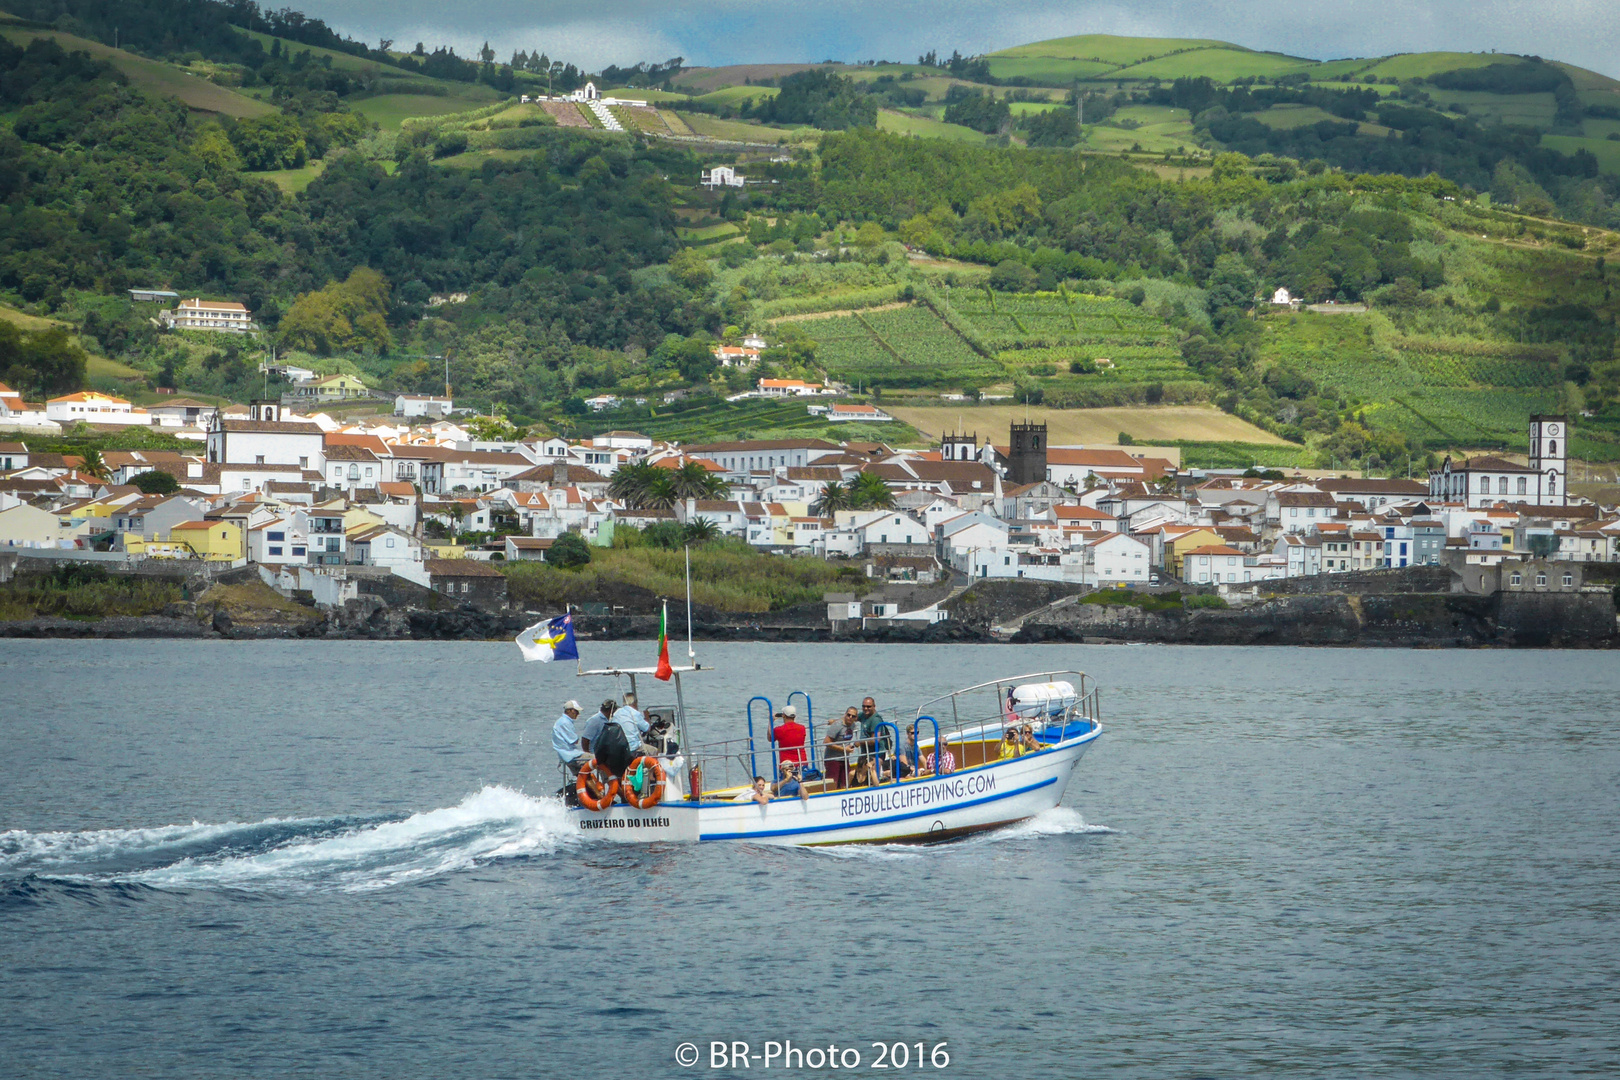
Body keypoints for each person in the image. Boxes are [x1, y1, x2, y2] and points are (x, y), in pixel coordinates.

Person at [593, 700, 651, 777]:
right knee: (654, 751)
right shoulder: (633, 713)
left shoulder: (612, 719)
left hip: (616, 751)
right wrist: (647, 717)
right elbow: (647, 728)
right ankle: (652, 778)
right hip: (632, 748)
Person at [551, 700, 589, 777]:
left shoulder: (562, 721)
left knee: (584, 776)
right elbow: (574, 740)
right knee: (598, 760)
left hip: (565, 756)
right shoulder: (565, 722)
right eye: (576, 711)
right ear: (569, 711)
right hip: (571, 755)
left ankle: (589, 787)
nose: (578, 714)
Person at [824, 707, 859, 789]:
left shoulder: (853, 725)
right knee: (833, 784)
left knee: (845, 784)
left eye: (853, 716)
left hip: (844, 758)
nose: (850, 717)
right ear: (845, 714)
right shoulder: (837, 726)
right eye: (848, 715)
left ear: (855, 718)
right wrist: (844, 749)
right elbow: (826, 742)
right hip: (833, 759)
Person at [858, 697, 892, 774]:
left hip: (877, 753)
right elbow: (852, 718)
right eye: (864, 706)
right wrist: (836, 721)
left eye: (868, 706)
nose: (866, 708)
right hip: (865, 752)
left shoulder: (875, 720)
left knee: (873, 775)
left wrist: (859, 742)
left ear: (874, 707)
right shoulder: (863, 715)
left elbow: (875, 740)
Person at [773, 705, 808, 769]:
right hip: (802, 762)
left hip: (786, 764)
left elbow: (770, 738)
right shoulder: (802, 728)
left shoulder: (779, 730)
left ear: (783, 716)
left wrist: (771, 721)